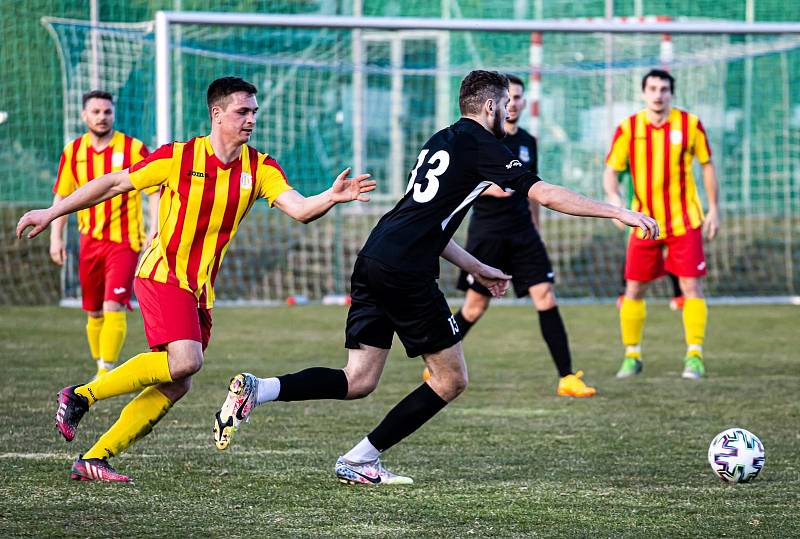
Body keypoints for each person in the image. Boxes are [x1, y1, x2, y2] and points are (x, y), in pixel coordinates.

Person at [213, 70, 658, 486]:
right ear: (489, 108)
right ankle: (360, 459)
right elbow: (546, 193)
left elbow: (429, 221)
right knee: (450, 379)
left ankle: (260, 389)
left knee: (359, 379)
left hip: (375, 254)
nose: (510, 113)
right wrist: (619, 211)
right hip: (405, 270)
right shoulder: (484, 145)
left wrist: (478, 268)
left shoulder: (443, 140)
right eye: (506, 105)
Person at [16, 76, 376, 482]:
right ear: (217, 114)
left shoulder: (260, 168)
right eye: (243, 111)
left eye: (254, 112)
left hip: (199, 290)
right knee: (186, 360)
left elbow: (300, 208)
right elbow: (114, 183)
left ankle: (95, 458)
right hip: (161, 274)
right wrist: (53, 212)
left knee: (177, 382)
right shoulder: (180, 157)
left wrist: (330, 196)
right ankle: (81, 395)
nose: (251, 120)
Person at [442, 74, 595, 398]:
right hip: (488, 234)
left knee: (546, 297)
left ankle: (567, 377)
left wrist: (537, 227)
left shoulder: (528, 141)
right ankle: (439, 362)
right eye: (508, 98)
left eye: (519, 98)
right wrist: (488, 188)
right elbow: (462, 184)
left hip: (524, 233)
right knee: (473, 309)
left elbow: (533, 191)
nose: (513, 104)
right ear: (494, 104)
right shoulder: (481, 139)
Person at [604, 69, 720, 380]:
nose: (658, 94)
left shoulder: (690, 124)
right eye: (653, 88)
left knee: (691, 287)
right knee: (634, 288)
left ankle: (694, 356)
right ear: (644, 93)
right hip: (644, 222)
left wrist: (715, 209)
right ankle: (632, 355)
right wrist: (615, 204)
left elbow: (707, 165)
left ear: (671, 93)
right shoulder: (628, 128)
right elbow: (611, 171)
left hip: (685, 221)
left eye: (664, 89)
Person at [50, 90, 158, 379]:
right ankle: (101, 360)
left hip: (125, 242)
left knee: (113, 304)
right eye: (95, 112)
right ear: (85, 115)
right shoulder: (73, 152)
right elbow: (61, 197)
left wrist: (154, 229)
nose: (102, 117)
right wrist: (55, 237)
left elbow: (154, 191)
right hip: (89, 241)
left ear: (114, 114)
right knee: (94, 311)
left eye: (107, 112)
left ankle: (105, 370)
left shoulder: (134, 149)